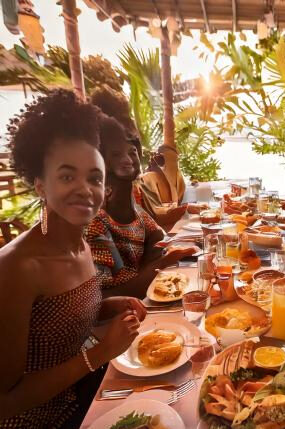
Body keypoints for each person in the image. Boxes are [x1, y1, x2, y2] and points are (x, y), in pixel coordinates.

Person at [0, 90, 145, 428]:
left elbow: (56, 323)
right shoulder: (16, 268)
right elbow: (3, 402)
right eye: (67, 176)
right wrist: (97, 355)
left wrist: (107, 306)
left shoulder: (78, 244)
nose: (84, 189)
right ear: (40, 184)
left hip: (89, 398)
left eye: (94, 178)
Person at [85, 114, 195, 298]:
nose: (128, 159)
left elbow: (158, 241)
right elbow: (108, 296)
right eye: (116, 154)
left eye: (132, 152)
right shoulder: (97, 222)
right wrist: (164, 261)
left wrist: (160, 257)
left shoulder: (135, 208)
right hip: (121, 319)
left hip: (151, 300)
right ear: (101, 162)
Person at [89, 87, 202, 228]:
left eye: (132, 152)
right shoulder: (97, 201)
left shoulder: (129, 187)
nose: (129, 160)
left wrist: (186, 209)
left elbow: (149, 224)